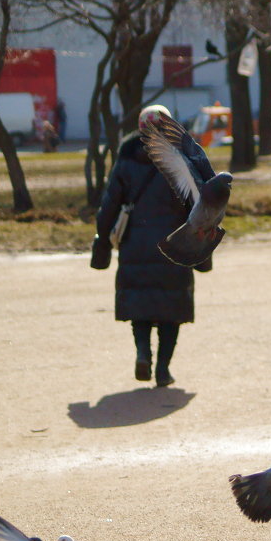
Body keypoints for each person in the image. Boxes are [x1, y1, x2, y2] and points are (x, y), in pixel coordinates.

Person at [90, 104, 213, 387]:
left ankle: (143, 353)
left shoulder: (127, 158)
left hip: (135, 244)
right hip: (175, 245)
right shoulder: (183, 159)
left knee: (140, 307)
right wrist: (202, 244)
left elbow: (109, 206)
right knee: (171, 310)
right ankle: (163, 370)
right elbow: (199, 205)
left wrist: (103, 236)